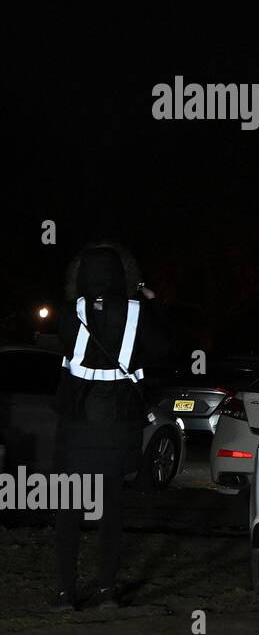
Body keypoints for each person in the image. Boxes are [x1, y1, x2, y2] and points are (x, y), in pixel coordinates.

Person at [51, 242, 169, 611]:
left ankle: (65, 594)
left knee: (68, 511)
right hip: (118, 427)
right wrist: (151, 299)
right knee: (111, 510)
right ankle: (106, 591)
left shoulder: (71, 313)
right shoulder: (139, 313)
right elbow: (165, 349)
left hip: (77, 427)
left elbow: (69, 348)